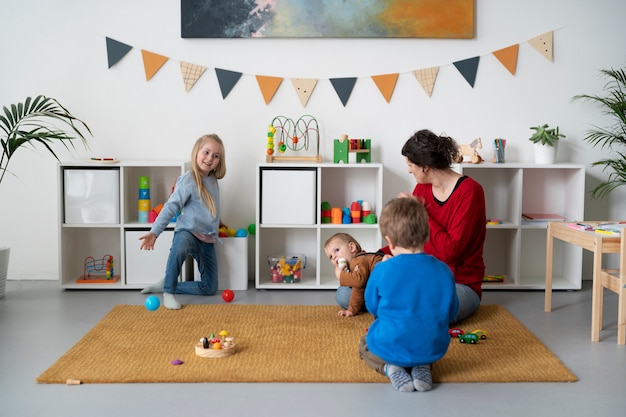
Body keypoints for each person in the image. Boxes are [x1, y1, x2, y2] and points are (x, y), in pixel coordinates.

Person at [379, 129, 486, 322]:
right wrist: (378, 254)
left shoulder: (471, 192)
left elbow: (450, 251)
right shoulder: (422, 188)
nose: (409, 170)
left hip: (459, 283)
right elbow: (411, 237)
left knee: (429, 310)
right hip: (420, 273)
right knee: (347, 294)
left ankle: (404, 309)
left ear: (425, 167)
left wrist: (421, 212)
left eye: (411, 165)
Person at [359, 197, 459, 392]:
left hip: (391, 344)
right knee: (422, 339)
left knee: (365, 345)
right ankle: (422, 366)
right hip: (431, 347)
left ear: (389, 240)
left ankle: (390, 368)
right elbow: (452, 311)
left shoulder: (382, 270)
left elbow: (372, 306)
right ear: (427, 234)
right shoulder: (443, 270)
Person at [139, 133, 226, 310]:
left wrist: (218, 223)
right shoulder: (188, 179)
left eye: (216, 156)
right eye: (206, 152)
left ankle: (167, 284)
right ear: (196, 152)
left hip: (207, 239)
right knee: (179, 249)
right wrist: (154, 232)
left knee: (210, 288)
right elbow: (170, 206)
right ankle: (168, 291)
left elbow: (208, 207)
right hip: (188, 232)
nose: (210, 158)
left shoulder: (213, 180)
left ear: (219, 161)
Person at [323, 233, 382, 317]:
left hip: (390, 288)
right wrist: (352, 310)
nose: (334, 257)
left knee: (342, 294)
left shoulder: (359, 260)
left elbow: (358, 282)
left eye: (337, 250)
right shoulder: (356, 263)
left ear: (351, 247)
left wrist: (341, 276)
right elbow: (358, 287)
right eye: (330, 256)